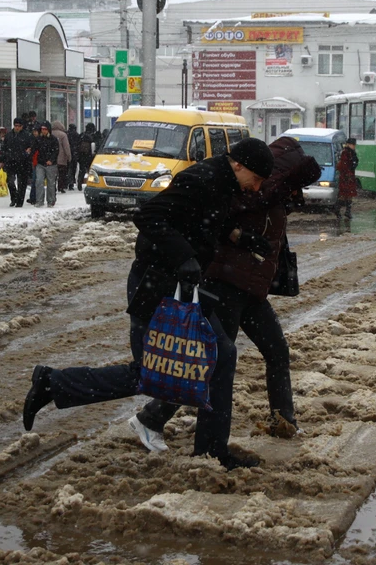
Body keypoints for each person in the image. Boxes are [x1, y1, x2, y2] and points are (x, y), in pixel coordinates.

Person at [22, 138, 275, 470]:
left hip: (177, 286)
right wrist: (184, 257)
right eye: (256, 178)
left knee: (221, 355)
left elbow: (205, 218)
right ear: (239, 164)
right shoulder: (202, 178)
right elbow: (149, 215)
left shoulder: (222, 183)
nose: (256, 188)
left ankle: (212, 452)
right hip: (155, 284)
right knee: (151, 372)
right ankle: (52, 383)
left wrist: (241, 238)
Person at [130, 135, 322, 451]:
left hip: (252, 288)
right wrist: (238, 237)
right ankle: (152, 418)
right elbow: (210, 222)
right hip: (226, 284)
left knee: (275, 350)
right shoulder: (243, 190)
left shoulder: (268, 195)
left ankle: (284, 421)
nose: (258, 186)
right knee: (212, 362)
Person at [1, 118, 31, 207]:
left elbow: (31, 147)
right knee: (10, 181)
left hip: (23, 162)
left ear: (22, 126)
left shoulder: (26, 136)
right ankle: (14, 197)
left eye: (19, 126)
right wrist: (2, 160)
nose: (17, 128)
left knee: (22, 183)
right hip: (10, 161)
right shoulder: (9, 135)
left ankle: (19, 201)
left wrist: (27, 153)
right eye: (15, 126)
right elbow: (4, 148)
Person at [32, 121, 59, 208]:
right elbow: (34, 149)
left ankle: (51, 201)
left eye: (45, 129)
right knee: (39, 181)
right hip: (40, 164)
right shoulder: (38, 139)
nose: (43, 131)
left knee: (51, 183)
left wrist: (51, 160)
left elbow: (56, 151)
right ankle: (39, 200)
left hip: (51, 165)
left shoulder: (53, 139)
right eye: (42, 129)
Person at [335, 137, 358, 219]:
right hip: (346, 177)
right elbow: (344, 165)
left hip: (349, 176)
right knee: (344, 194)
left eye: (354, 144)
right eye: (352, 144)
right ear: (348, 144)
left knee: (348, 195)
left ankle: (346, 211)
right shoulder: (346, 153)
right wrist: (348, 174)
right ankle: (338, 210)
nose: (354, 146)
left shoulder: (351, 152)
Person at [52, 121, 72, 194]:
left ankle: (52, 187)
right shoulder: (63, 135)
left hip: (52, 158)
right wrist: (69, 156)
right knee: (62, 174)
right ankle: (61, 187)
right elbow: (66, 147)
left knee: (52, 174)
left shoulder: (50, 134)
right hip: (62, 158)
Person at [76, 122, 97, 191]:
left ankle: (79, 182)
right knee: (91, 171)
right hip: (90, 156)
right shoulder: (93, 136)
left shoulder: (82, 135)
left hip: (82, 156)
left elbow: (77, 146)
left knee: (82, 170)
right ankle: (91, 183)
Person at [66, 124, 81, 191]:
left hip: (67, 154)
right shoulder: (77, 135)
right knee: (73, 169)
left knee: (67, 168)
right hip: (74, 154)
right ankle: (71, 183)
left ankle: (67, 182)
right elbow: (79, 144)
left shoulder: (66, 134)